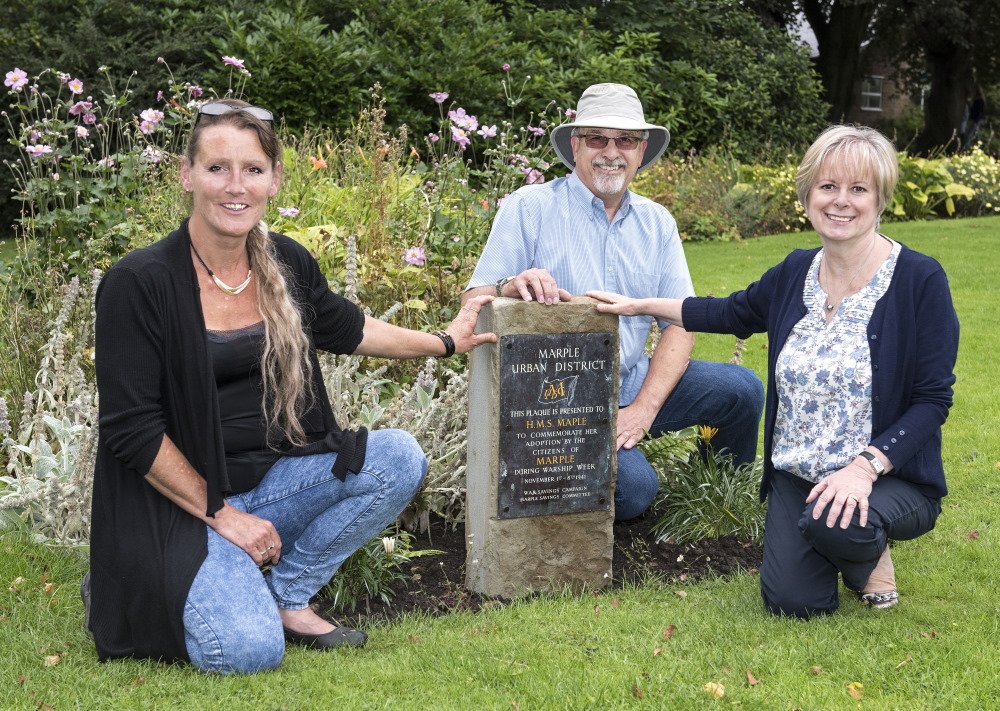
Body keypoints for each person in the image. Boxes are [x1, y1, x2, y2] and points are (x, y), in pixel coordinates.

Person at [85, 99, 497, 674]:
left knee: (397, 458)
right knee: (246, 652)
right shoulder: (138, 283)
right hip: (180, 506)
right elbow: (131, 430)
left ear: (274, 180)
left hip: (274, 485)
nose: (236, 186)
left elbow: (347, 327)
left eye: (253, 169)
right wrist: (223, 516)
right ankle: (168, 578)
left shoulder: (284, 262)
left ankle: (285, 594)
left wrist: (445, 341)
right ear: (187, 175)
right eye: (217, 168)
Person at [588, 124, 959, 616]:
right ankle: (834, 535)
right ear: (808, 195)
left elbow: (933, 400)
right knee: (791, 603)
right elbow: (729, 311)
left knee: (839, 525)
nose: (840, 201)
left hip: (885, 476)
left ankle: (868, 552)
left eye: (858, 189)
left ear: (880, 198)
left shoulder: (919, 279)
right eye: (828, 187)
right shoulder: (795, 271)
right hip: (798, 471)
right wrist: (639, 305)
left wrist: (863, 469)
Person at [462, 83, 764, 522]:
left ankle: (716, 504)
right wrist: (509, 284)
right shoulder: (529, 208)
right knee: (634, 492)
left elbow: (681, 321)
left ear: (641, 151)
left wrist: (642, 410)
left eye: (625, 140)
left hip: (631, 382)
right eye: (597, 139)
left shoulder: (657, 223)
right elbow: (474, 301)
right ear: (575, 145)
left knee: (741, 390)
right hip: (557, 402)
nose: (611, 151)